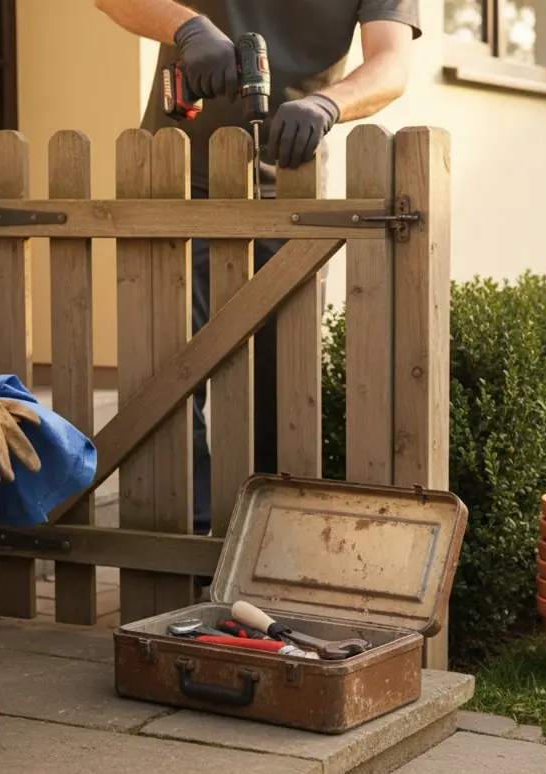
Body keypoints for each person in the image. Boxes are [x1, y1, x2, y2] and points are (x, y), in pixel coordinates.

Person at [96, 0, 421, 534]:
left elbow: (391, 62)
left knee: (282, 389)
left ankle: (266, 549)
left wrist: (327, 104)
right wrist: (189, 28)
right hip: (174, 183)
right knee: (167, 380)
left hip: (287, 194)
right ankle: (187, 550)